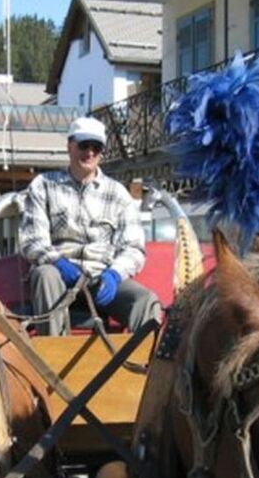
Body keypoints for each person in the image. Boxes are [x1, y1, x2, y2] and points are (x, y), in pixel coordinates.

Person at [20, 116, 161, 336]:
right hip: (59, 277)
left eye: (97, 147)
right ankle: (51, 358)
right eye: (84, 145)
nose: (90, 152)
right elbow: (32, 241)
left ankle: (144, 365)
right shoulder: (43, 185)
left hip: (102, 279)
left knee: (146, 301)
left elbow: (134, 248)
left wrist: (114, 274)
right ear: (69, 146)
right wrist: (59, 263)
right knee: (44, 275)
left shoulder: (118, 193)